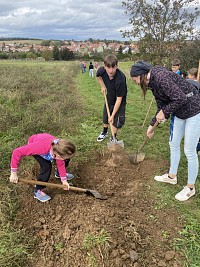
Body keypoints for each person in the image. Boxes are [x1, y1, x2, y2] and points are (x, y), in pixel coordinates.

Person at [130, 61, 200, 201]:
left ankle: (190, 188)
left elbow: (180, 98)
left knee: (189, 150)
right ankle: (171, 176)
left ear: (142, 75)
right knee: (173, 143)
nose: (136, 83)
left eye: (135, 79)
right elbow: (161, 105)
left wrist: (165, 111)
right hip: (180, 112)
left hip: (194, 110)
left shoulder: (161, 77)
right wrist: (152, 125)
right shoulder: (152, 82)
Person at [9, 133, 76, 202]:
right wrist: (13, 173)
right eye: (62, 157)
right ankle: (37, 190)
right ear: (57, 154)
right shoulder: (40, 148)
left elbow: (61, 164)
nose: (63, 159)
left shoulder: (59, 150)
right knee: (46, 166)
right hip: (36, 143)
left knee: (65, 160)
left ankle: (59, 174)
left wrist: (64, 180)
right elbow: (17, 152)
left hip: (50, 148)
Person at [96, 55, 127, 142]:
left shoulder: (121, 79)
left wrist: (113, 115)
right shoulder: (101, 70)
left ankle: (113, 137)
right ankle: (105, 132)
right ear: (104, 66)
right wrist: (102, 86)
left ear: (116, 66)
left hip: (119, 100)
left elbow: (119, 99)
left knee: (116, 119)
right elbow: (98, 76)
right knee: (106, 116)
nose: (111, 70)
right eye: (108, 67)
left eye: (113, 67)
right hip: (109, 96)